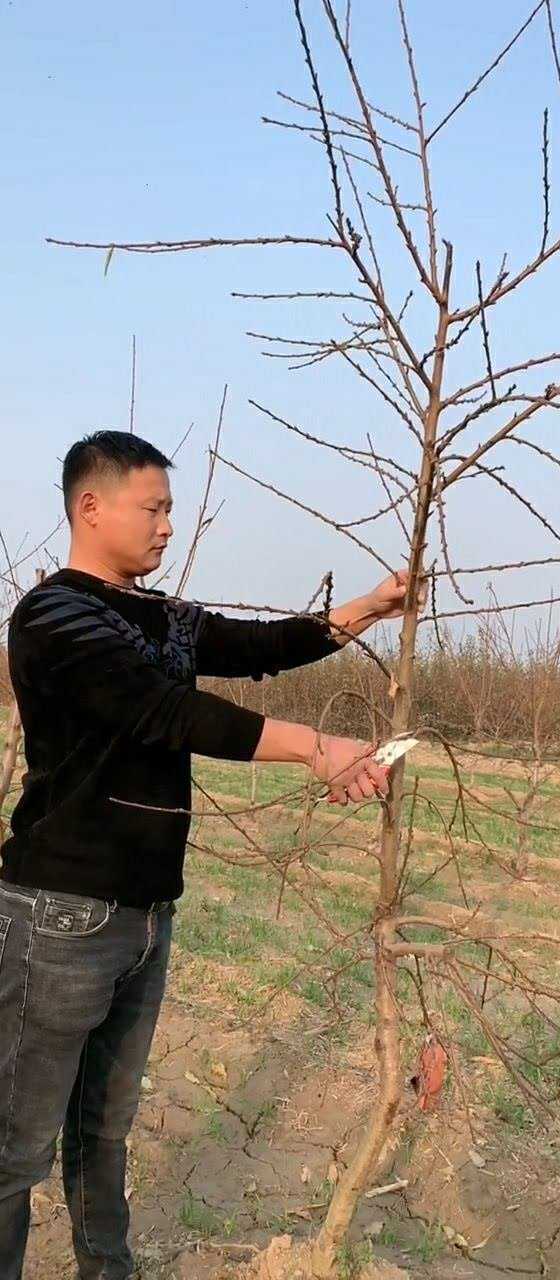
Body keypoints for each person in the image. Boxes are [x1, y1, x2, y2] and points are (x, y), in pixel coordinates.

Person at [0, 430, 410, 1280]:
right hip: (58, 917)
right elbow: (166, 715)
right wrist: (314, 748)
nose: (166, 527)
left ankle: (106, 1270)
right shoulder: (52, 617)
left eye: (171, 511)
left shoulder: (160, 618)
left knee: (103, 1131)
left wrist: (364, 610)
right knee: (16, 1144)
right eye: (152, 509)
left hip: (146, 916)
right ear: (91, 507)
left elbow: (258, 648)